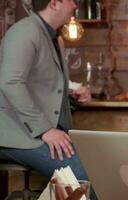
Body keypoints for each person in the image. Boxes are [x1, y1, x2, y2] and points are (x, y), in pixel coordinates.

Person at [0, 0, 97, 199]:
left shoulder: (55, 38)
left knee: (99, 166)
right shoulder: (25, 32)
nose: (75, 6)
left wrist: (72, 95)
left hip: (35, 133)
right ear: (54, 3)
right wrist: (45, 129)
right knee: (86, 178)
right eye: (71, 1)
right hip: (15, 136)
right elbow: (10, 83)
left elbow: (43, 88)